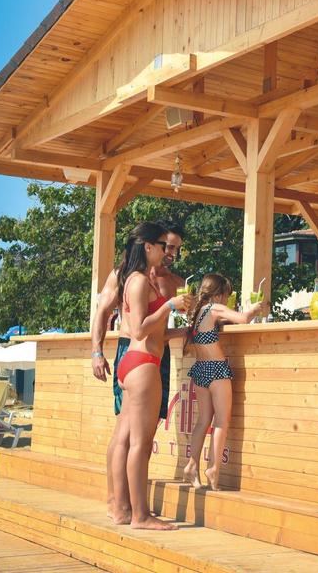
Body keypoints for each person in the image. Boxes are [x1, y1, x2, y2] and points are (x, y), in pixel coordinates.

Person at [91, 222, 192, 521]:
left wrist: (181, 330)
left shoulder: (164, 279)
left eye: (174, 248)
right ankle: (128, 508)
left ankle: (125, 509)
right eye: (166, 245)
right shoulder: (128, 276)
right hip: (135, 357)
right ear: (149, 246)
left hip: (146, 357)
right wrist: (96, 350)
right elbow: (119, 320)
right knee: (134, 439)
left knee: (132, 435)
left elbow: (155, 329)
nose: (170, 252)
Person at [183, 274, 262, 491]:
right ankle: (213, 468)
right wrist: (255, 307)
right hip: (217, 370)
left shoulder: (198, 312)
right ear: (218, 294)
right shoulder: (215, 308)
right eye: (226, 296)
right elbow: (244, 318)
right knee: (221, 422)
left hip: (200, 370)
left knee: (203, 421)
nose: (227, 301)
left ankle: (192, 465)